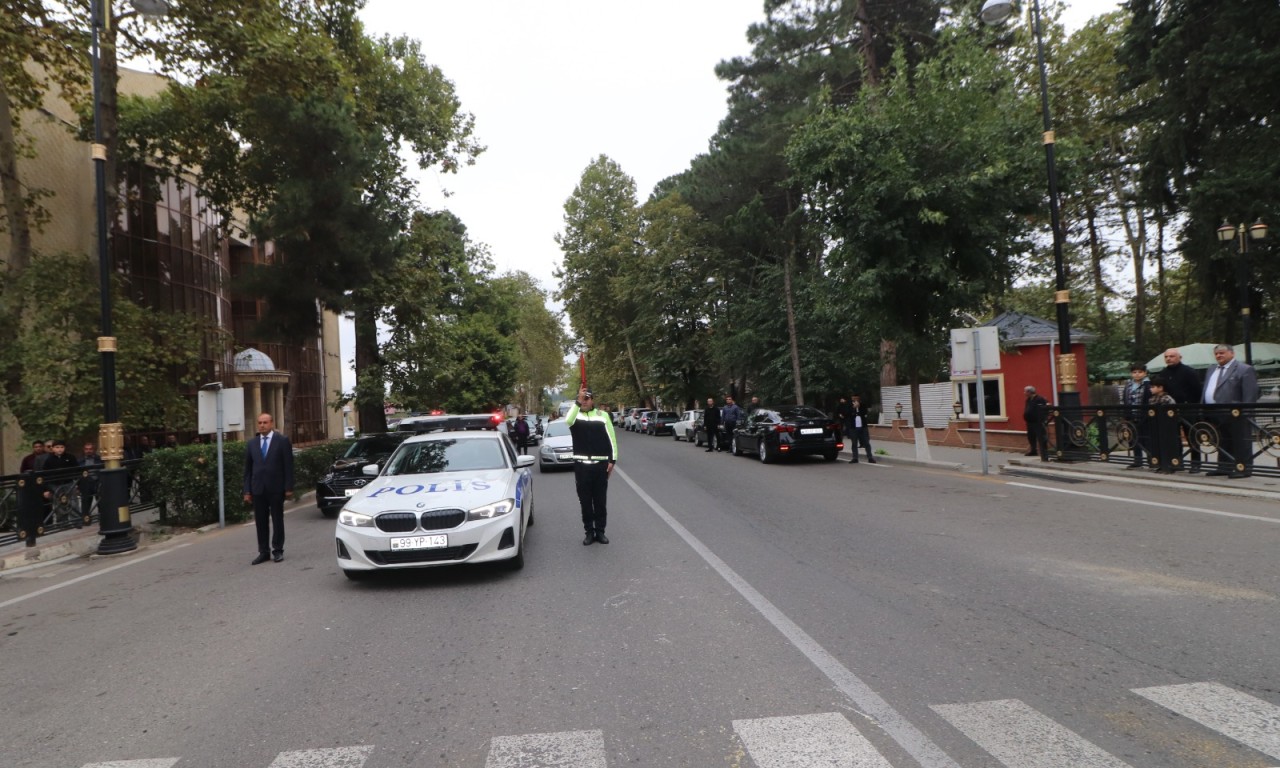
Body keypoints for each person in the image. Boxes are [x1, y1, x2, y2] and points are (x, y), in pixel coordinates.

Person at [566, 387, 618, 545]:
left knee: (600, 502)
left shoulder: (602, 416)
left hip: (600, 465)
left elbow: (612, 439)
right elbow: (568, 420)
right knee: (586, 502)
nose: (585, 401)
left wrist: (612, 460)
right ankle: (589, 531)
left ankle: (600, 531)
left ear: (592, 400)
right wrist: (577, 401)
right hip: (582, 466)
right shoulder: (575, 416)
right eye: (582, 399)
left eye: (587, 398)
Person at [1202, 343, 1260, 478]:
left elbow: (1250, 394)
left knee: (1240, 440)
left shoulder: (1244, 369)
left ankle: (1243, 468)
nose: (1219, 355)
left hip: (1236, 413)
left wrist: (1246, 413)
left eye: (1222, 353)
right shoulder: (1211, 369)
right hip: (1215, 412)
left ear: (1232, 353)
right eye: (1216, 353)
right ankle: (1224, 466)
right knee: (1222, 440)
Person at [242, 412, 294, 564]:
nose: (262, 425)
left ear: (271, 423)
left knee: (277, 519)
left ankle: (277, 550)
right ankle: (263, 551)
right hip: (258, 488)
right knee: (260, 521)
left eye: (265, 422)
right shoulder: (252, 443)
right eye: (260, 423)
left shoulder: (282, 441)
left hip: (276, 487)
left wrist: (288, 487)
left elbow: (288, 466)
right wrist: (247, 490)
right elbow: (248, 470)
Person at [1160, 348, 1203, 472]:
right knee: (1173, 437)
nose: (1168, 359)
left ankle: (1196, 463)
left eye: (1172, 356)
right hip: (1170, 410)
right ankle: (1176, 461)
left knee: (1192, 436)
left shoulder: (1189, 372)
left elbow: (1197, 390)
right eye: (1166, 357)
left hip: (1187, 409)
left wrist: (1191, 404)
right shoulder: (1163, 373)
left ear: (1179, 357)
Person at [1122, 362, 1152, 469]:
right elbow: (1125, 399)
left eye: (1140, 372)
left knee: (1147, 438)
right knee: (1133, 438)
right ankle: (1137, 460)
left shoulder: (1148, 384)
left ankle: (1151, 459)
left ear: (1145, 373)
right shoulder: (1128, 385)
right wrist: (1126, 415)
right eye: (1134, 372)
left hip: (1145, 416)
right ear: (1131, 374)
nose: (1137, 374)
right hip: (1131, 415)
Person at [1147, 376, 1177, 474]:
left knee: (1169, 446)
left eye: (1153, 387)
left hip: (1167, 427)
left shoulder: (1167, 399)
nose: (1150, 389)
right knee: (1158, 445)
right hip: (1156, 426)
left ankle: (1170, 465)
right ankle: (1160, 464)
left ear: (1161, 387)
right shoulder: (1151, 399)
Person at [847, 394, 876, 463]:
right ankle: (855, 458)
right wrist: (854, 408)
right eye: (854, 398)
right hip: (853, 427)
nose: (855, 400)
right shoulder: (849, 406)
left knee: (866, 442)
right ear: (852, 398)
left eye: (857, 398)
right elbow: (848, 414)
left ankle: (870, 457)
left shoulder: (863, 405)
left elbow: (864, 413)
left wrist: (858, 408)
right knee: (854, 443)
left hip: (863, 427)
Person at [80, 442, 103, 524]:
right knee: (86, 503)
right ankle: (86, 520)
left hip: (97, 483)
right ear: (84, 450)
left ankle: (103, 518)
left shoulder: (99, 459)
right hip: (86, 484)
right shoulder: (80, 461)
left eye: (90, 449)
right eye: (86, 449)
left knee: (101, 502)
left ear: (94, 450)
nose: (88, 451)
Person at [1023, 386, 1049, 460]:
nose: (1024, 393)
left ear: (1029, 392)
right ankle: (1033, 450)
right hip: (1030, 422)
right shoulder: (1028, 400)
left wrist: (1043, 419)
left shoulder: (1039, 399)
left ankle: (1044, 452)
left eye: (1025, 391)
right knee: (1031, 437)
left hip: (1038, 422)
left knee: (1041, 436)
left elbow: (1044, 409)